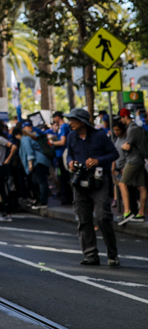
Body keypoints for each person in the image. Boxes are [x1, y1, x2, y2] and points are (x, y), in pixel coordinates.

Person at [64, 107, 120, 266]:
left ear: (82, 122)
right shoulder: (71, 136)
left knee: (103, 217)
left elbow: (114, 154)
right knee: (83, 219)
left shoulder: (100, 136)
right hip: (79, 181)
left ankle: (112, 254)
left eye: (73, 120)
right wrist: (70, 162)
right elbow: (70, 154)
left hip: (98, 181)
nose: (70, 123)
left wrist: (98, 161)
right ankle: (90, 256)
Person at [116, 115, 148, 224]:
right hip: (140, 160)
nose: (120, 120)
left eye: (121, 118)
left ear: (125, 116)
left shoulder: (131, 129)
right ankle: (141, 213)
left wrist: (123, 147)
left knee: (122, 184)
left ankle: (127, 211)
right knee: (141, 187)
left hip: (133, 160)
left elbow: (127, 146)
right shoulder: (138, 128)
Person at [0, 120, 18, 221]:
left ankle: (7, 213)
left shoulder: (0, 139)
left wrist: (8, 159)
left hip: (0, 167)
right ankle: (0, 211)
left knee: (2, 190)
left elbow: (13, 147)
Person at [20, 125, 53, 207]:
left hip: (38, 162)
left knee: (41, 182)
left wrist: (30, 163)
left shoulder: (25, 139)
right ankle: (40, 200)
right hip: (42, 161)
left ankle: (42, 202)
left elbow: (29, 151)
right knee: (39, 181)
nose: (30, 127)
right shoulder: (31, 137)